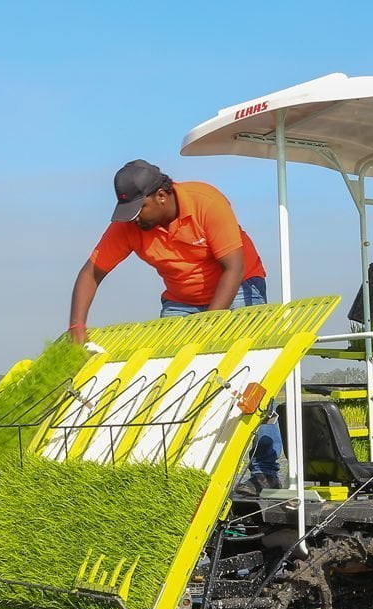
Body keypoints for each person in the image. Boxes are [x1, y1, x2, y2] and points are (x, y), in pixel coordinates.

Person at [68, 160, 281, 494]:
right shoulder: (130, 226)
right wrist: (77, 328)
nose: (134, 218)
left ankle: (265, 471)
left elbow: (233, 266)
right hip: (180, 300)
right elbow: (90, 273)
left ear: (163, 195)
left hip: (238, 287)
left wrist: (209, 326)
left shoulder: (206, 202)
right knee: (175, 379)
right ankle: (185, 472)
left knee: (247, 377)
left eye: (140, 209)